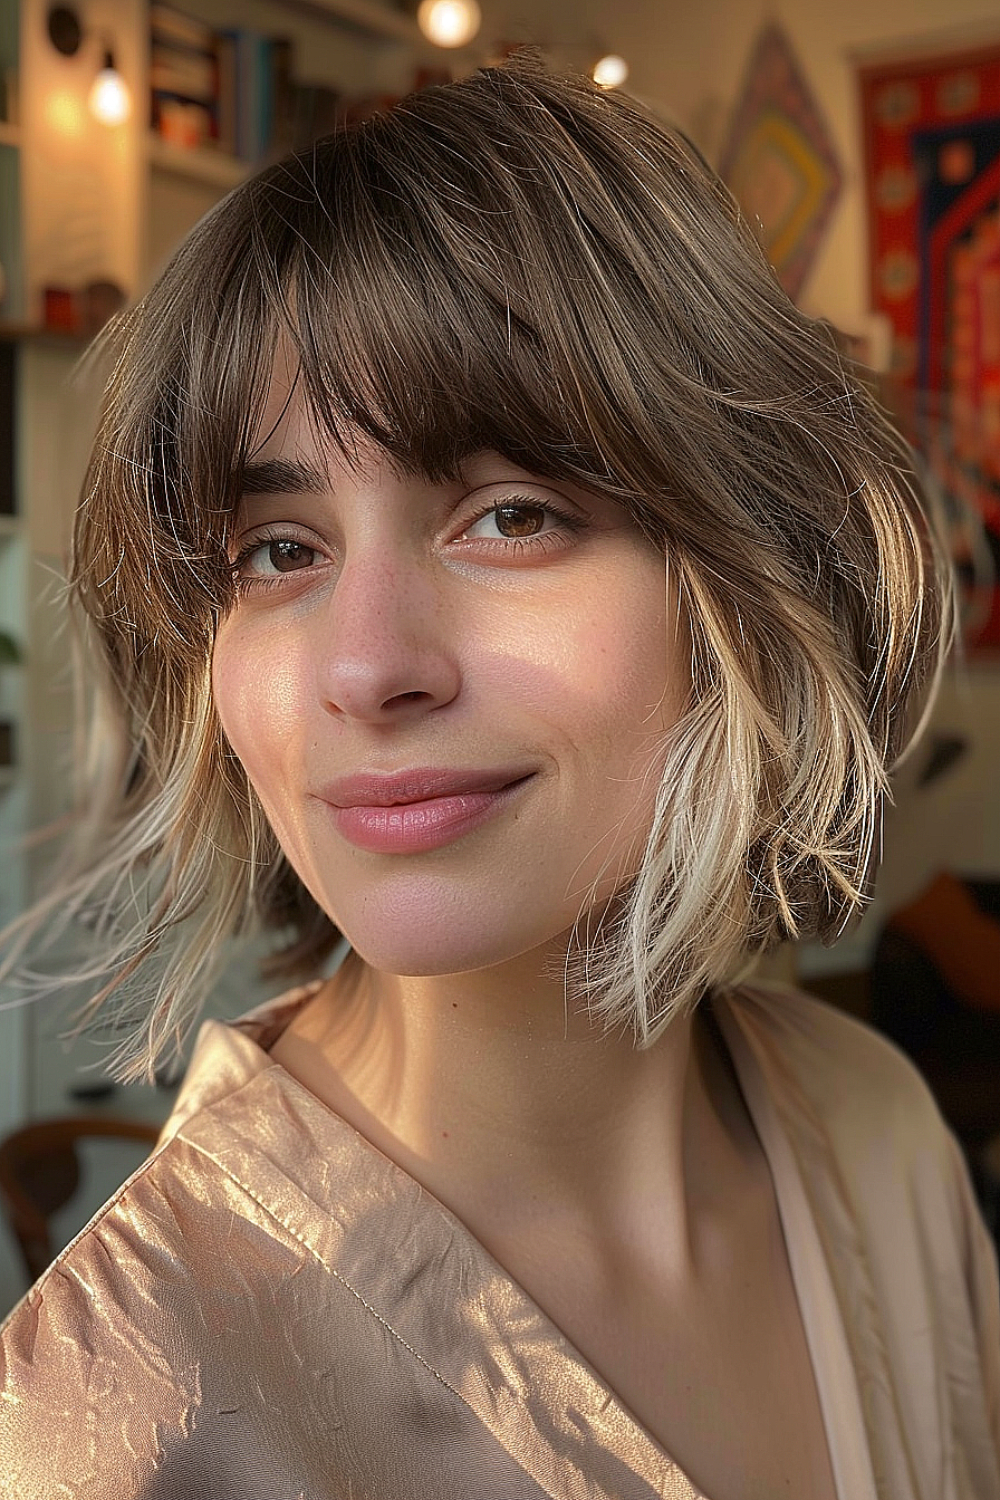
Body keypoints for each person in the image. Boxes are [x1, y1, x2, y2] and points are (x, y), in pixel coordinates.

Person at [0, 53, 996, 1500]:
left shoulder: (882, 1134)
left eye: (511, 515)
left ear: (755, 568)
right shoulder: (116, 1419)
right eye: (281, 550)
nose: (366, 666)